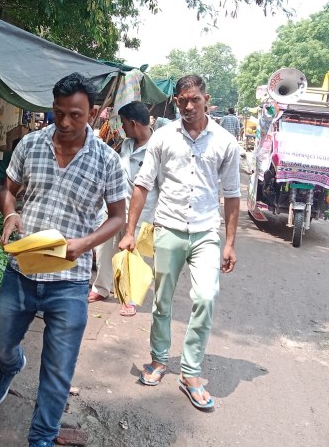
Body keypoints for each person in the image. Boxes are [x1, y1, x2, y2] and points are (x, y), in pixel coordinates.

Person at [0, 73, 127, 447]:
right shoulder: (29, 145)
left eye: (75, 115)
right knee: (0, 336)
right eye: (59, 113)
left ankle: (42, 438)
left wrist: (85, 243)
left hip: (70, 277)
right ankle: (10, 365)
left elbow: (118, 217)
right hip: (23, 268)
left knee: (58, 368)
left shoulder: (108, 161)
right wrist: (10, 214)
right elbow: (8, 189)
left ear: (93, 114)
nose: (65, 123)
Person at [118, 74, 240, 411]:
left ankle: (189, 372)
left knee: (206, 296)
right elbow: (142, 185)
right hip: (168, 227)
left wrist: (230, 242)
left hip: (204, 232)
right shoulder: (162, 138)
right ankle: (158, 360)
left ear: (206, 99)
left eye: (195, 100)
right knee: (162, 300)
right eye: (182, 101)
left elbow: (231, 195)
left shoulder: (225, 142)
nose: (188, 106)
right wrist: (129, 231)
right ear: (175, 102)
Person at [89, 101, 158, 316]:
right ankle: (101, 288)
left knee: (131, 255)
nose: (122, 128)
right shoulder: (127, 144)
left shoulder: (158, 146)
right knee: (104, 249)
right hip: (116, 206)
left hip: (143, 211)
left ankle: (130, 298)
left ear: (134, 123)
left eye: (124, 124)